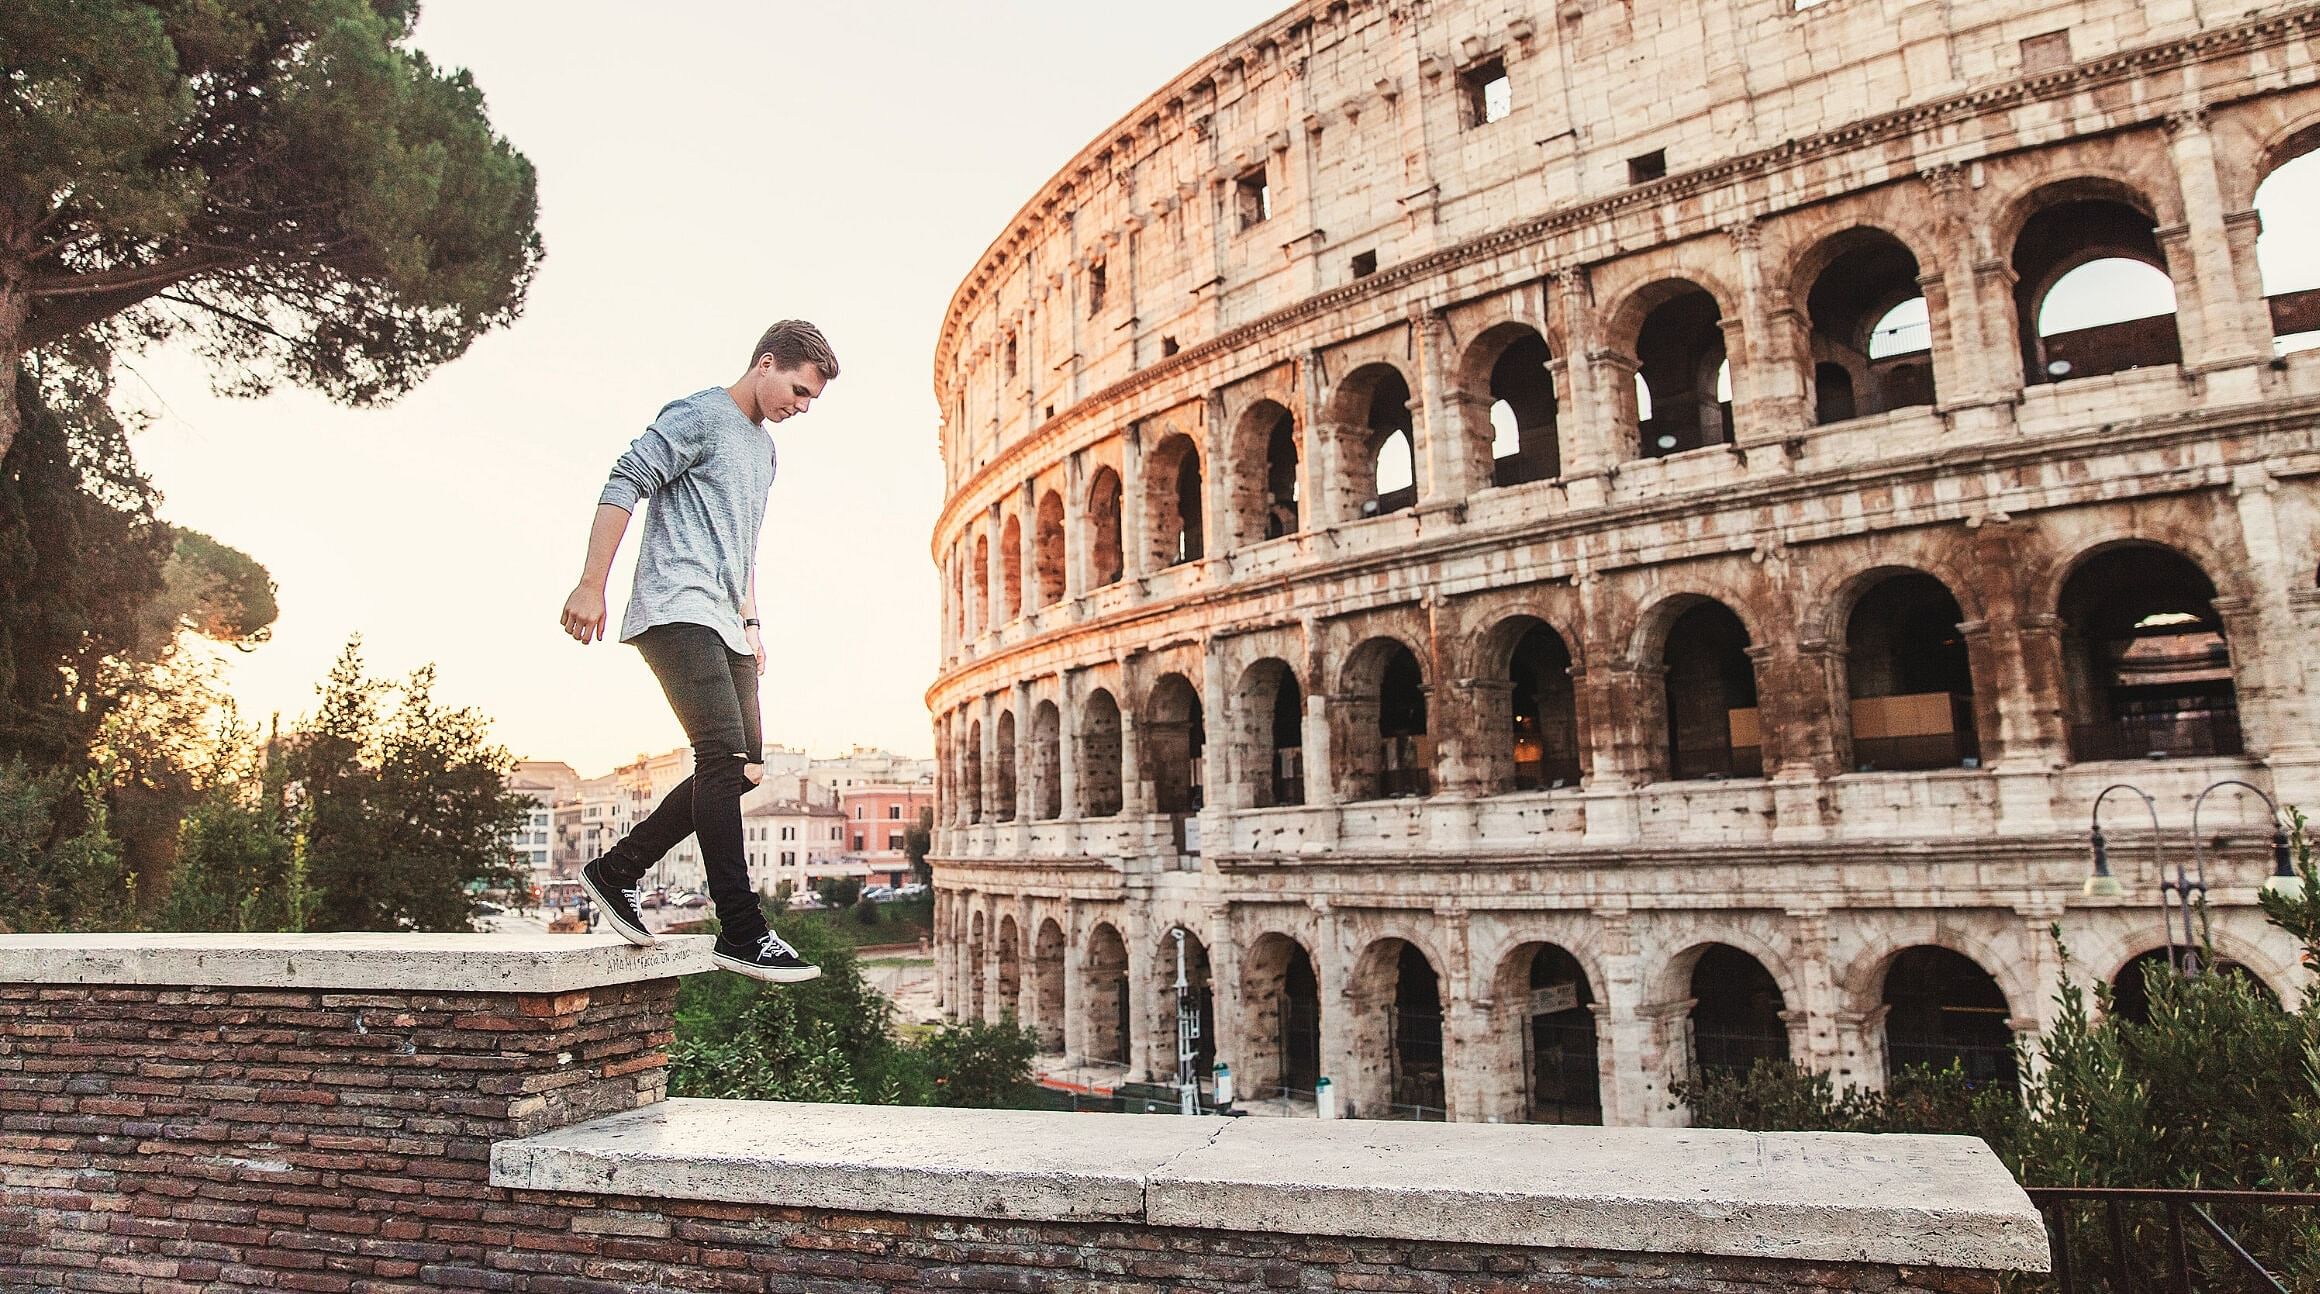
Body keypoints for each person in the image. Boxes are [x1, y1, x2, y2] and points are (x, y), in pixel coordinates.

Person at [561, 320, 838, 983]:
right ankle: (741, 928)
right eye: (797, 391)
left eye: (809, 403)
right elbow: (625, 477)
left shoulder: (766, 454)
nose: (798, 409)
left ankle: (617, 869)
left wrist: (754, 623)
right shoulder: (700, 415)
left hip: (726, 620)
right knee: (718, 755)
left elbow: (742, 546)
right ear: (766, 363)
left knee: (743, 772)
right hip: (675, 607)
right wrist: (591, 584)